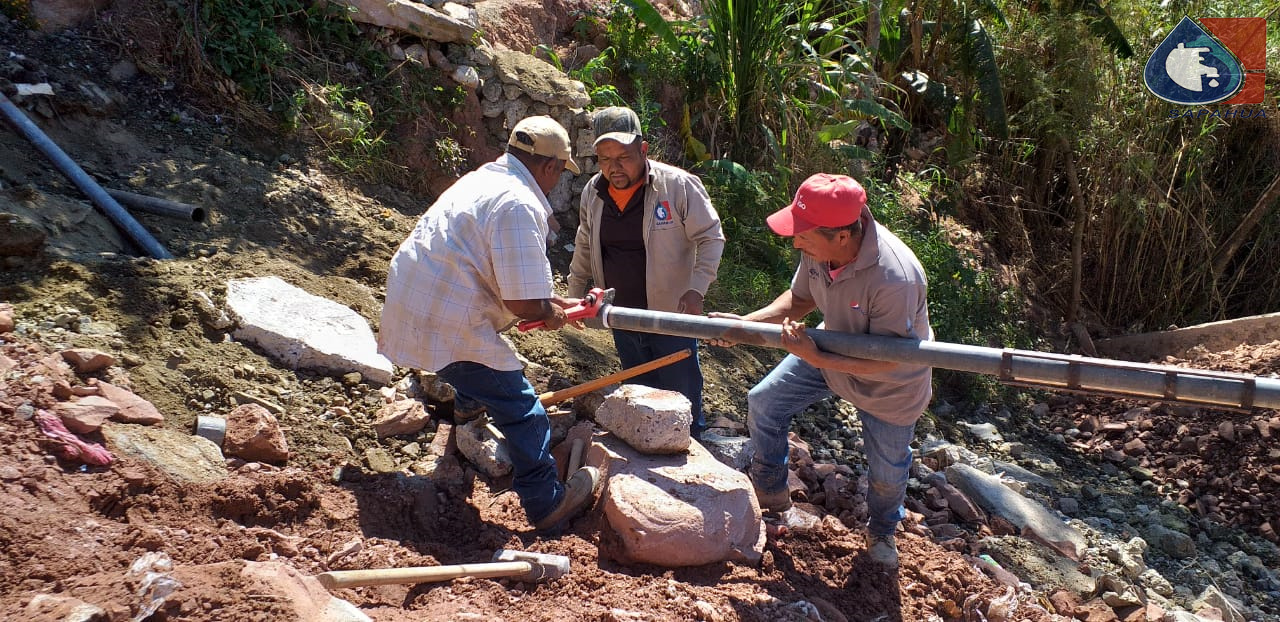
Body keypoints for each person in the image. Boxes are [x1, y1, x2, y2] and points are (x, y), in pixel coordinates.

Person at [378, 116, 601, 533]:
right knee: (525, 412)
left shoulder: (484, 179)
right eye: (560, 173)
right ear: (550, 167)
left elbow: (501, 272)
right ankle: (546, 503)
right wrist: (548, 313)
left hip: (418, 297)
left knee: (476, 362)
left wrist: (553, 302)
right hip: (446, 315)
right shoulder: (520, 204)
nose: (557, 181)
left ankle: (468, 409)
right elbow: (521, 302)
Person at [709, 173, 932, 569]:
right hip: (828, 349)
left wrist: (816, 357)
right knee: (764, 403)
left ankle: (882, 531)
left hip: (890, 384)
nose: (796, 242)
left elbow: (892, 359)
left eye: (803, 236)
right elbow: (799, 299)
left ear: (842, 236)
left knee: (887, 473)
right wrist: (744, 325)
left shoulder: (895, 277)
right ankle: (772, 498)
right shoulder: (819, 245)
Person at [568, 106, 726, 440]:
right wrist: (574, 292)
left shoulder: (677, 186)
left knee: (682, 401)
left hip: (671, 317)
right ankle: (646, 460)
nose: (614, 167)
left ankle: (693, 454)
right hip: (622, 316)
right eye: (605, 159)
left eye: (623, 157)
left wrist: (697, 289)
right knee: (640, 398)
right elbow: (584, 242)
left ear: (643, 149)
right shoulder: (594, 193)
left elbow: (711, 237)